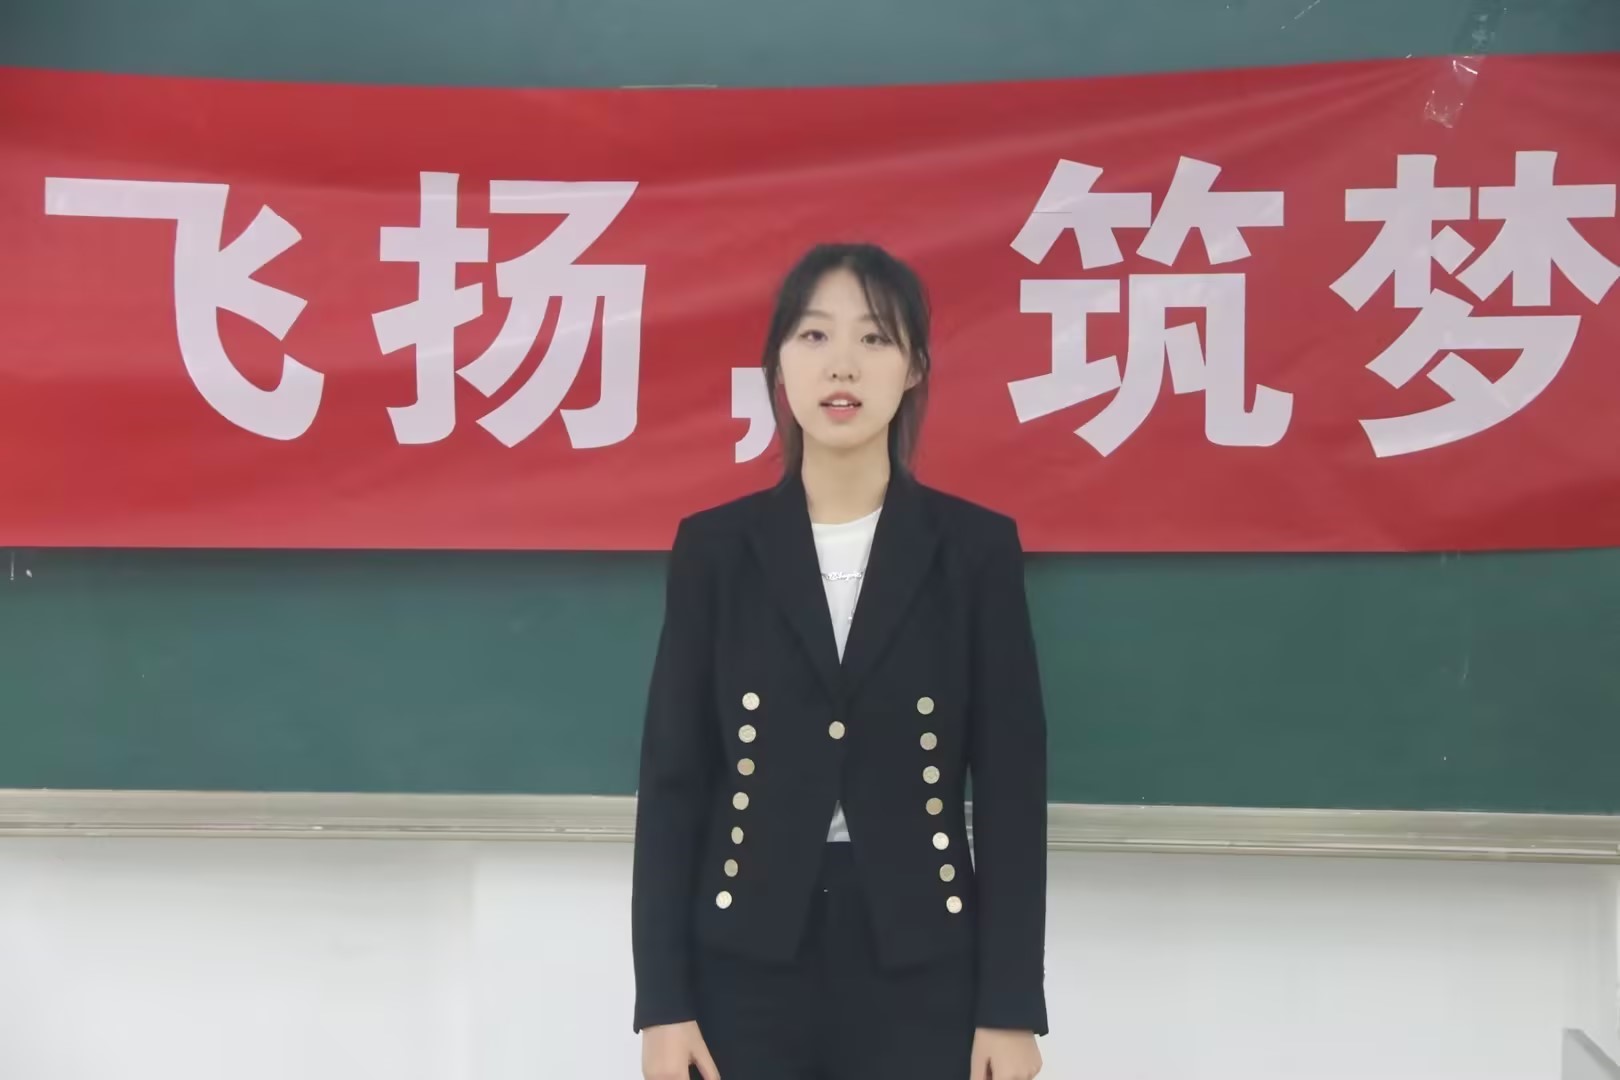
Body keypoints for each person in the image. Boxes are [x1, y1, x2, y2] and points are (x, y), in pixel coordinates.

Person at [632, 242, 1048, 1080]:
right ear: (779, 365)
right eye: (815, 336)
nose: (842, 366)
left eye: (875, 337)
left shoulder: (973, 549)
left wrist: (1009, 1007)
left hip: (922, 954)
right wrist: (663, 1003)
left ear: (915, 367)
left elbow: (1011, 788)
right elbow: (674, 782)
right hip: (744, 954)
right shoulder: (716, 549)